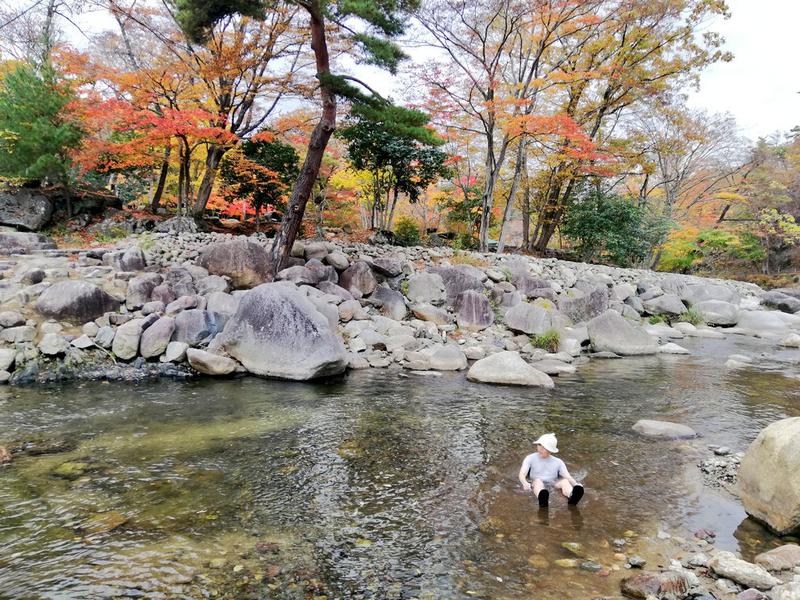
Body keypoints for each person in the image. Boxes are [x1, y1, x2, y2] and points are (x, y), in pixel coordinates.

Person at [518, 433, 584, 508]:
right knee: (538, 482)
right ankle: (542, 498)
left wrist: (576, 484)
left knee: (565, 481)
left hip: (553, 484)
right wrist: (525, 483)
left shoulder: (558, 462)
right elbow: (522, 474)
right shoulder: (530, 458)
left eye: (544, 447)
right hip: (535, 482)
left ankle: (572, 495)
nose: (540, 449)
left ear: (550, 450)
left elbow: (568, 476)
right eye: (539, 445)